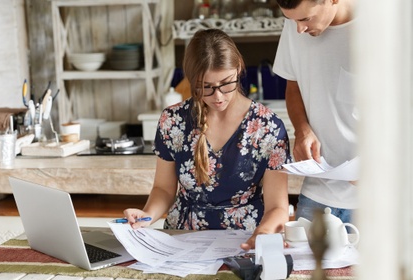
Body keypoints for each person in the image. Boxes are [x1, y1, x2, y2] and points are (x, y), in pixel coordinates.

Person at [124, 28, 292, 250]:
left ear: (239, 69)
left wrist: (264, 232)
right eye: (206, 87)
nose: (218, 96)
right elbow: (163, 190)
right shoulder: (172, 120)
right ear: (192, 81)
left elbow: (278, 207)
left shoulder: (267, 126)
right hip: (181, 237)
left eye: (226, 83)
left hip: (245, 239)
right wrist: (146, 216)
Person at [273, 0, 357, 223]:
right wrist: (302, 130)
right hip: (316, 195)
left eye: (305, 19)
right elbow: (293, 86)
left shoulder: (380, 28)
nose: (299, 29)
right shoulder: (294, 24)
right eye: (292, 20)